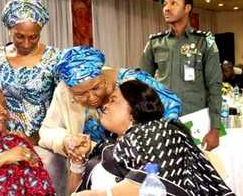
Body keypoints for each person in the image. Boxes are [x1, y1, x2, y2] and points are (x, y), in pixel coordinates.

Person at [68, 80, 234, 196]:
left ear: (134, 108)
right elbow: (75, 193)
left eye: (113, 100)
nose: (105, 106)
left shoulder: (162, 133)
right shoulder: (105, 147)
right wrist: (77, 163)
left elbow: (151, 187)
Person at [39, 46, 182, 156]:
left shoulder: (133, 82)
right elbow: (47, 130)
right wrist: (65, 141)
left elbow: (171, 112)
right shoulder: (64, 90)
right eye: (80, 94)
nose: (92, 98)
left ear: (102, 75)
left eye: (96, 88)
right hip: (94, 166)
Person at [139, 0, 222, 151]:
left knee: (196, 171)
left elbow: (215, 86)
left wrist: (215, 128)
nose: (167, 8)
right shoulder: (155, 42)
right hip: (162, 121)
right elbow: (142, 84)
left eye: (173, 3)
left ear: (187, 8)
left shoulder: (204, 41)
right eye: (165, 5)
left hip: (195, 122)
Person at [0, 0, 60, 144]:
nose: (26, 44)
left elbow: (61, 105)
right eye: (19, 36)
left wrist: (38, 138)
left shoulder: (54, 57)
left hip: (43, 143)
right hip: (0, 141)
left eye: (33, 37)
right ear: (9, 30)